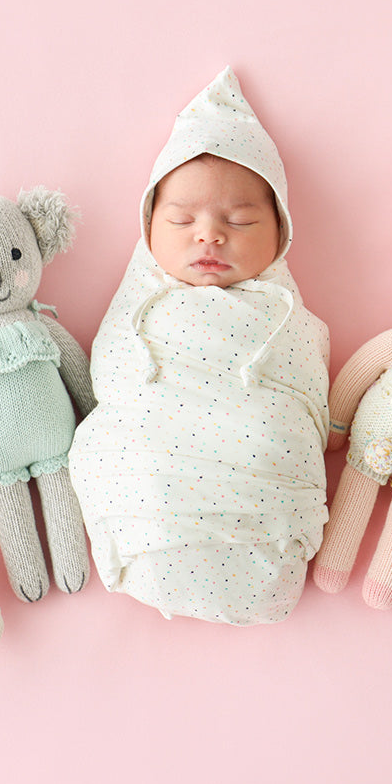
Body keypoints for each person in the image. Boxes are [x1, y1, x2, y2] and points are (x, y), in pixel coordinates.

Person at [68, 66, 329, 624]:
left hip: (260, 482)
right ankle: (145, 534)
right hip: (153, 484)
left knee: (269, 435)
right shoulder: (139, 307)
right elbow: (111, 379)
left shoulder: (282, 315)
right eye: (182, 219)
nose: (208, 234)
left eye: (239, 219)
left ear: (281, 233)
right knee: (121, 443)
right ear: (148, 227)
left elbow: (306, 396)